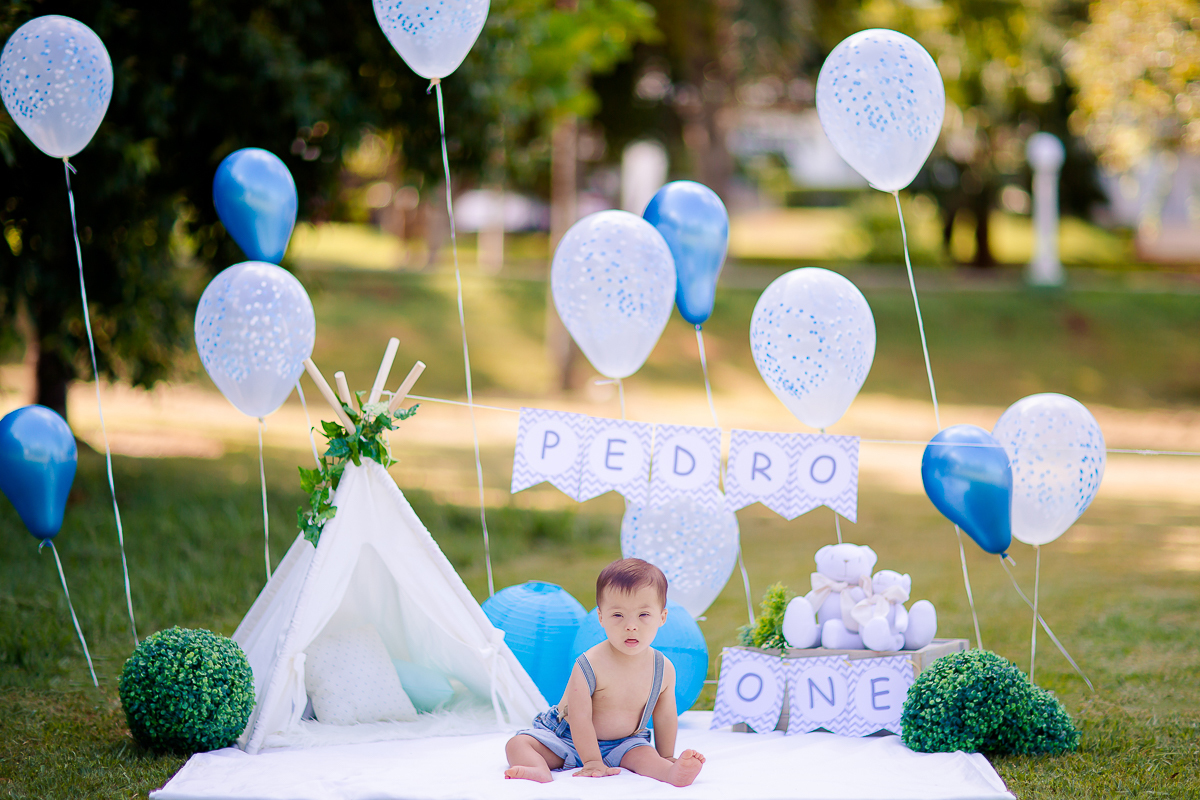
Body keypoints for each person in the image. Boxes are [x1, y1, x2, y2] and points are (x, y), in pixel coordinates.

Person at [503, 558, 706, 786]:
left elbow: (665, 716)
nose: (631, 625)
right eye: (618, 615)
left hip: (624, 742)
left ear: (662, 617)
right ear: (601, 617)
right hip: (568, 738)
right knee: (518, 744)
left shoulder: (663, 668)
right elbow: (579, 717)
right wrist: (591, 761)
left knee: (646, 756)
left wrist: (666, 755)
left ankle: (671, 772)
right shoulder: (589, 663)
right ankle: (537, 768)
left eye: (643, 615)